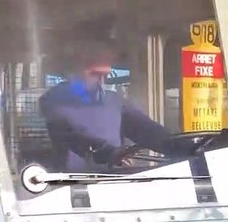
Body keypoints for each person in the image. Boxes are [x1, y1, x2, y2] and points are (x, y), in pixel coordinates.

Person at [39, 37, 184, 172]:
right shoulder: (54, 99)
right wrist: (107, 152)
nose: (107, 66)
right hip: (71, 188)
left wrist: (186, 147)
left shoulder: (113, 100)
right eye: (99, 58)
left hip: (113, 184)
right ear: (81, 57)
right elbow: (70, 137)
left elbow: (147, 131)